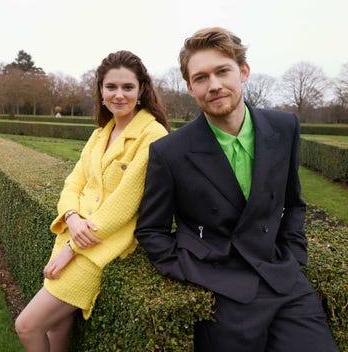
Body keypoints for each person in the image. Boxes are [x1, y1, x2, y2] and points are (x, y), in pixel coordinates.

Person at [135, 27, 338, 352]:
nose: (213, 85)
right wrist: (192, 269)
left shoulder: (285, 127)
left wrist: (294, 253)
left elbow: (293, 202)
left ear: (243, 71)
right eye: (201, 77)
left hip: (283, 281)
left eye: (222, 71)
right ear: (189, 87)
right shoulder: (169, 152)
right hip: (222, 291)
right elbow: (151, 230)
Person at [15, 50, 170, 351]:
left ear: (141, 91)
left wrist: (72, 248)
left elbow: (124, 205)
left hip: (99, 246)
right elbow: (74, 183)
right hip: (72, 236)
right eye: (111, 87)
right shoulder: (101, 133)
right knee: (57, 328)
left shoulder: (152, 134)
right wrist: (71, 217)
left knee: (27, 325)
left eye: (127, 87)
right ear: (100, 91)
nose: (119, 94)